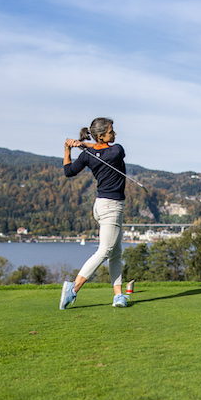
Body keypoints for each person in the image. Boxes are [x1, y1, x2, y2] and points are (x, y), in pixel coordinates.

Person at [60, 117, 130, 309]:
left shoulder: (87, 154)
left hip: (102, 205)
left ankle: (118, 296)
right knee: (105, 250)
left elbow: (68, 170)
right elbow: (104, 150)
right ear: (101, 136)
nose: (115, 134)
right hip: (111, 207)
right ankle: (73, 289)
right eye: (111, 132)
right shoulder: (117, 150)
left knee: (115, 253)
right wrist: (83, 145)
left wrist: (69, 148)